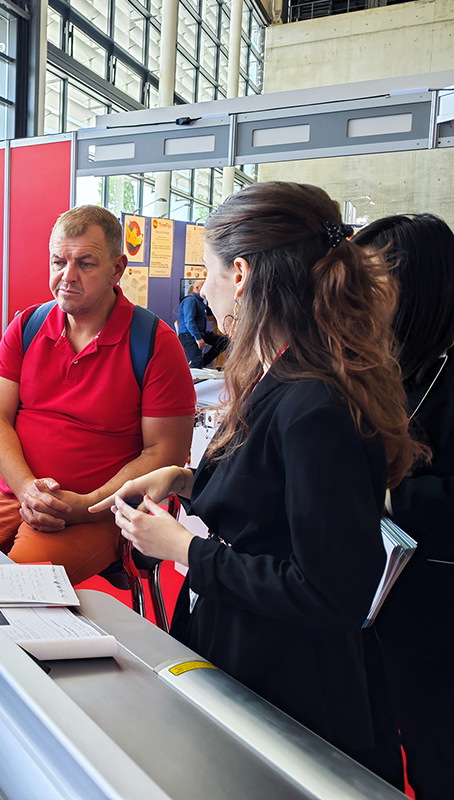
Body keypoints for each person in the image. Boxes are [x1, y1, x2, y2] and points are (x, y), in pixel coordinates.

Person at [95, 181, 424, 777]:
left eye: (209, 273)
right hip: (248, 644)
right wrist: (185, 480)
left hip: (289, 680)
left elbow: (330, 591)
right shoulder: (286, 374)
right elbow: (273, 498)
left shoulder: (314, 404)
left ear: (242, 275)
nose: (203, 290)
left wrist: (184, 549)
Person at [0, 205, 195, 583]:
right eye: (58, 262)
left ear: (117, 269)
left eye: (85, 264)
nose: (67, 276)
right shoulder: (27, 327)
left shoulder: (154, 344)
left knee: (16, 591)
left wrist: (88, 505)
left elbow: (165, 453)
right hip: (15, 495)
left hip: (100, 512)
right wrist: (26, 489)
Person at [353, 213, 454, 797]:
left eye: (371, 283)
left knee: (436, 750)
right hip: (374, 599)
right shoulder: (381, 365)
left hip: (435, 609)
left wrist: (382, 492)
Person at [176, 279, 228, 368]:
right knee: (196, 363)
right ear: (197, 288)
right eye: (205, 288)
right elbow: (189, 321)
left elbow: (211, 312)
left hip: (200, 332)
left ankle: (203, 362)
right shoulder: (190, 300)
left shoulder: (200, 302)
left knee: (223, 342)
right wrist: (198, 338)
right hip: (188, 334)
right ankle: (198, 365)